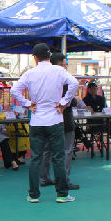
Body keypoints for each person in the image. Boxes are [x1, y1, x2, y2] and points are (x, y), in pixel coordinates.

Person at [10, 43, 79, 203]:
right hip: (55, 119)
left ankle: (33, 195)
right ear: (49, 56)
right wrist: (64, 102)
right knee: (58, 158)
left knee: (36, 158)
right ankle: (62, 194)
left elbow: (14, 90)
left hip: (37, 120)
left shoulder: (30, 73)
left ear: (35, 58)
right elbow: (74, 83)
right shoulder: (58, 70)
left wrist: (27, 104)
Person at [38, 53, 80, 189]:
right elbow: (71, 100)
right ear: (60, 65)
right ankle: (64, 180)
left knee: (47, 150)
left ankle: (44, 178)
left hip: (47, 120)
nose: (66, 67)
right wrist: (71, 100)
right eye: (65, 64)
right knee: (66, 151)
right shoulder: (65, 80)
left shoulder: (43, 80)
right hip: (64, 121)